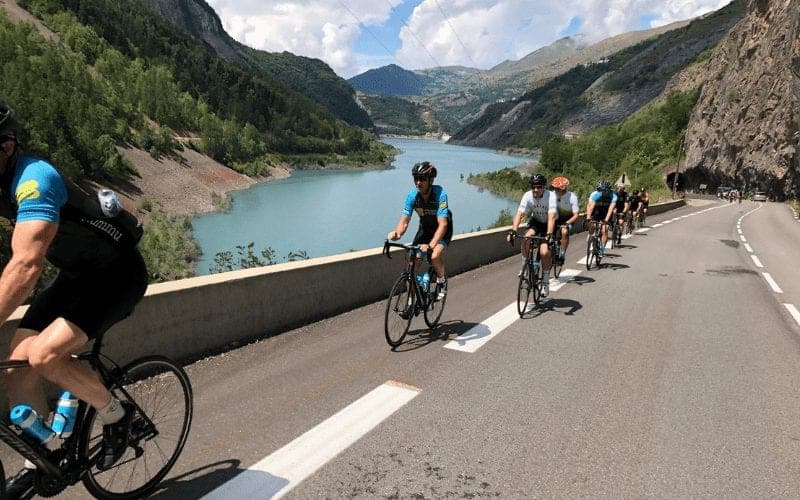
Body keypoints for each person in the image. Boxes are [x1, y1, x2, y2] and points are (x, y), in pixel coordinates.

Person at [0, 100, 147, 495]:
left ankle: (118, 415)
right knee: (16, 366)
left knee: (44, 355)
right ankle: (43, 457)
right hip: (75, 276)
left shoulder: (35, 179)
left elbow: (26, 265)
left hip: (117, 275)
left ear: (6, 147)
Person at [388, 161, 452, 301]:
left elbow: (443, 224)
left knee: (434, 256)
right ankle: (411, 302)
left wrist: (430, 245)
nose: (418, 182)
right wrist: (397, 233)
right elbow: (405, 221)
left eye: (422, 179)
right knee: (411, 266)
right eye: (416, 178)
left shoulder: (440, 195)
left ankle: (441, 281)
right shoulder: (412, 196)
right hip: (425, 229)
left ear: (430, 180)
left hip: (442, 230)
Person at [507, 174, 556, 298]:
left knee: (544, 252)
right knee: (526, 238)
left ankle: (545, 282)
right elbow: (520, 213)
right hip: (536, 222)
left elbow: (551, 217)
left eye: (539, 187)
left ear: (544, 187)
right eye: (533, 187)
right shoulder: (527, 196)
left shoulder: (551, 196)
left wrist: (550, 234)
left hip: (548, 225)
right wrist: (513, 230)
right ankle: (525, 267)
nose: (536, 189)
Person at [551, 175, 579, 264]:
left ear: (563, 188)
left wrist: (567, 223)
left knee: (564, 232)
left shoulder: (572, 197)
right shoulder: (551, 195)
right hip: (555, 218)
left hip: (568, 219)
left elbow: (576, 215)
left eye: (557, 188)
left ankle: (562, 253)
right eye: (554, 188)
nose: (555, 190)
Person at [585, 181, 617, 257]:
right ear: (599, 190)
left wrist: (606, 220)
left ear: (609, 190)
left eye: (606, 191)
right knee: (592, 224)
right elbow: (591, 206)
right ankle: (590, 234)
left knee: (605, 230)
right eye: (602, 191)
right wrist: (588, 217)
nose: (604, 192)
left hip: (606, 212)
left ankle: (602, 249)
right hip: (597, 211)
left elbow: (610, 209)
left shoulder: (613, 196)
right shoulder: (595, 194)